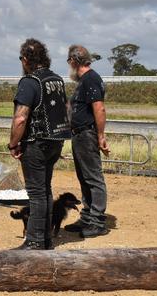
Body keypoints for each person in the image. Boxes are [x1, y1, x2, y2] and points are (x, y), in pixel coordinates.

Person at [8, 38, 71, 250]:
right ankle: (45, 238)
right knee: (46, 190)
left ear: (26, 59)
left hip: (36, 143)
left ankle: (34, 240)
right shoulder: (57, 80)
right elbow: (67, 109)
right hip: (56, 141)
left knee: (36, 193)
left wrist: (13, 144)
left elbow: (20, 118)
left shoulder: (29, 82)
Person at [64, 44, 110, 238]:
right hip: (79, 134)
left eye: (69, 61)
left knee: (93, 178)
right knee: (84, 177)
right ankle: (87, 216)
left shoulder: (90, 79)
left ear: (74, 61)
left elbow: (99, 109)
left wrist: (100, 136)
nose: (69, 65)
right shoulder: (85, 81)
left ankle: (97, 220)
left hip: (86, 134)